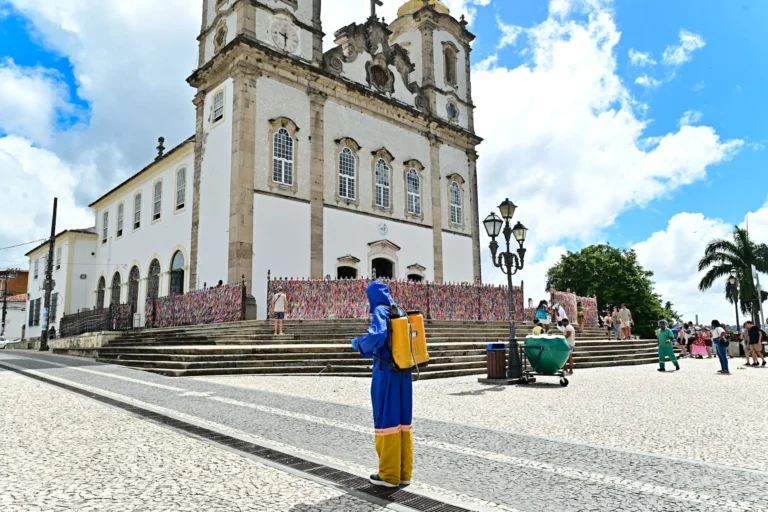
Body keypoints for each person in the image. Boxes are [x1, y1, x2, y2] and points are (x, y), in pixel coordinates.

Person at [351, 281, 413, 488]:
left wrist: (359, 343)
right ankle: (404, 472)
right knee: (403, 420)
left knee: (386, 419)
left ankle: (388, 474)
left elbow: (377, 335)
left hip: (386, 371)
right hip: (404, 372)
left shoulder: (380, 310)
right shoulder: (400, 310)